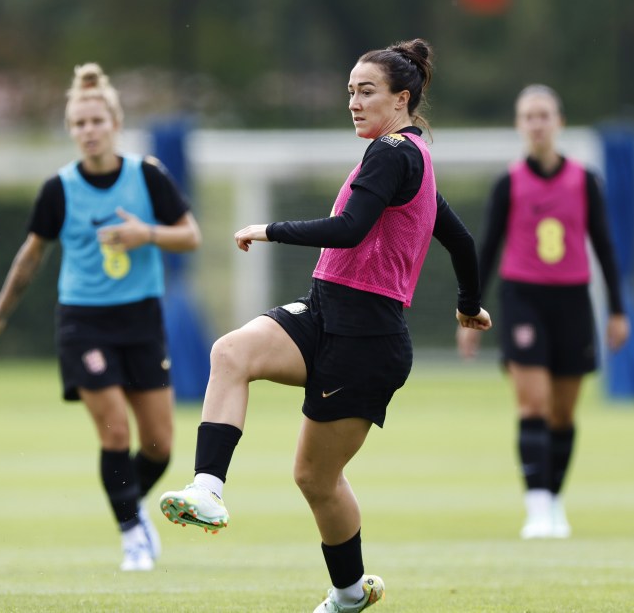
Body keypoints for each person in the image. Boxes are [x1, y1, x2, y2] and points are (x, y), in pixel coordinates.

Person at [158, 39, 492, 612]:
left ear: (401, 98)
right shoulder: (403, 154)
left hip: (367, 339)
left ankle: (347, 594)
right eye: (350, 92)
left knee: (315, 477)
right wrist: (468, 303)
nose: (354, 103)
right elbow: (460, 242)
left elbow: (350, 229)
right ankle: (207, 489)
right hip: (323, 310)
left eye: (367, 92)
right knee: (231, 353)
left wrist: (270, 229)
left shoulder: (393, 152)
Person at [0, 63, 202, 572]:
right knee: (115, 433)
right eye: (78, 124)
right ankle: (131, 535)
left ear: (115, 122)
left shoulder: (147, 175)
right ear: (71, 130)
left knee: (160, 445)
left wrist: (148, 235)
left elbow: (191, 235)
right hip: (84, 322)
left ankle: (128, 507)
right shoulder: (60, 188)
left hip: (141, 317)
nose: (88, 131)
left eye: (96, 121)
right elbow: (30, 257)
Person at [456, 84, 629, 540]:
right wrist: (469, 311)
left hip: (572, 300)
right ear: (519, 125)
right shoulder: (509, 182)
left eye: (544, 115)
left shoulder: (584, 179)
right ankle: (536, 508)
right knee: (532, 402)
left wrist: (616, 309)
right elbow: (487, 249)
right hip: (523, 299)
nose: (536, 123)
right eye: (528, 116)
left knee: (563, 413)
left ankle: (554, 500)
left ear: (559, 123)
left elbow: (605, 246)